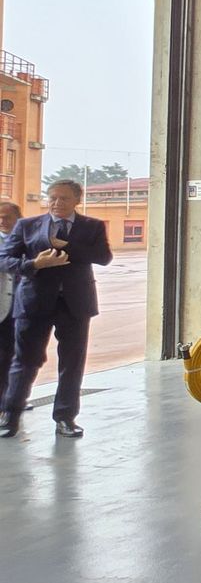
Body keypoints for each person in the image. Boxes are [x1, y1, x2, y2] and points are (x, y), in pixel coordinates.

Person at [0, 180, 113, 439]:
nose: (56, 203)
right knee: (24, 361)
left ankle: (65, 418)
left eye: (63, 198)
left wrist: (67, 246)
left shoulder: (92, 226)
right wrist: (35, 264)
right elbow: (4, 259)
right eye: (52, 198)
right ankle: (10, 415)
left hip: (75, 305)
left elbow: (104, 257)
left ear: (77, 200)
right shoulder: (27, 226)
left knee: (72, 363)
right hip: (33, 304)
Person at [0, 203, 21, 415]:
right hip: (1, 308)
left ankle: (14, 398)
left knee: (20, 356)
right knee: (2, 356)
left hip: (23, 306)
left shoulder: (28, 239)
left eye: (7, 217)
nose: (2, 221)